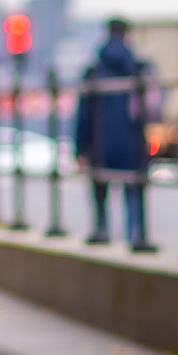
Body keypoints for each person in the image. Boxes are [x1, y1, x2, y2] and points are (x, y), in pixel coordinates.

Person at [74, 18, 152, 249]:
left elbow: (84, 114)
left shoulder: (94, 71)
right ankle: (136, 237)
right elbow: (150, 109)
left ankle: (102, 231)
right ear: (127, 34)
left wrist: (80, 148)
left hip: (100, 141)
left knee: (100, 189)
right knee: (134, 190)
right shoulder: (138, 67)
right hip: (131, 141)